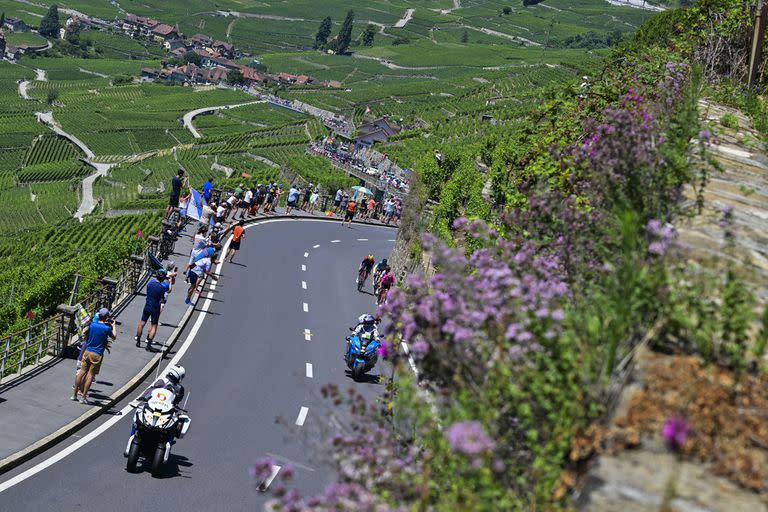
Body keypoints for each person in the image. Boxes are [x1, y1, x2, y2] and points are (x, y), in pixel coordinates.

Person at [72, 308, 116, 405]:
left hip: (87, 351)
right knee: (90, 375)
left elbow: (85, 333)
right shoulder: (107, 328)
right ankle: (83, 397)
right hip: (97, 354)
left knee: (81, 372)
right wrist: (114, 326)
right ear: (107, 317)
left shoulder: (92, 325)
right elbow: (114, 337)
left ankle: (74, 394)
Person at [135, 268, 177, 350]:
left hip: (147, 305)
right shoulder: (163, 286)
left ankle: (138, 340)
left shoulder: (150, 283)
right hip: (155, 307)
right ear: (163, 277)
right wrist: (170, 282)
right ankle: (149, 344)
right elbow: (169, 290)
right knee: (154, 325)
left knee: (142, 323)